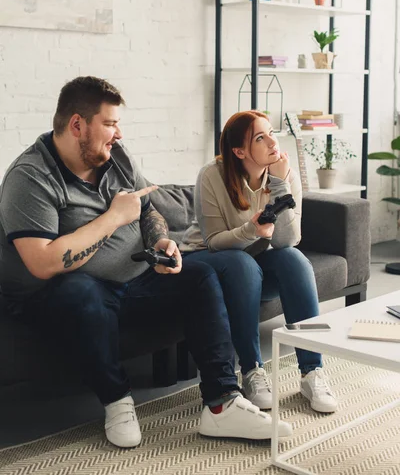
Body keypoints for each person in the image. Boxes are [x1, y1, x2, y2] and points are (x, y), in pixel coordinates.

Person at [0, 79, 293, 448]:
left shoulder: (115, 156)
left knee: (199, 274)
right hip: (59, 295)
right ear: (77, 125)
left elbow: (148, 208)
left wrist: (161, 242)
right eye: (109, 124)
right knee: (81, 290)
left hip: (133, 280)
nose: (118, 133)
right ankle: (117, 401)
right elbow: (42, 263)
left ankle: (222, 403)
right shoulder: (30, 176)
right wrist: (112, 218)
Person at [181, 110, 338, 414]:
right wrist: (252, 229)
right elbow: (213, 240)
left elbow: (288, 240)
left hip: (253, 260)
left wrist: (279, 184)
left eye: (271, 133)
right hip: (208, 261)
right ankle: (251, 369)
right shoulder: (212, 175)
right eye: (260, 137)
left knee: (294, 260)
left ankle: (312, 371)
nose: (272, 142)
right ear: (239, 151)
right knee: (242, 264)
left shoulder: (285, 175)